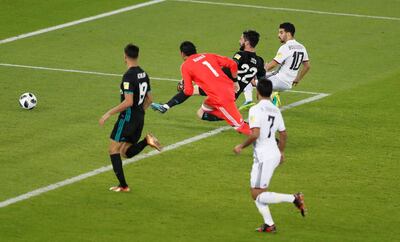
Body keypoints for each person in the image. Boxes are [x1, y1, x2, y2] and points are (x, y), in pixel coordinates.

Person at [233, 78, 306, 232]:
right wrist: (281, 152)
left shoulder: (255, 109)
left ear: (257, 91)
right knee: (258, 193)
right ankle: (269, 224)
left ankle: (294, 198)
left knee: (257, 194)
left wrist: (241, 146)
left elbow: (255, 134)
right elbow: (284, 134)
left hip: (263, 157)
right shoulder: (275, 109)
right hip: (272, 153)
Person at [151, 30, 265, 116]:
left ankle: (235, 119)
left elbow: (232, 66)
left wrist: (235, 81)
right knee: (192, 93)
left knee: (201, 113)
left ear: (247, 42)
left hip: (222, 89)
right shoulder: (260, 61)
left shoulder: (240, 55)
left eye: (241, 39)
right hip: (230, 93)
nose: (239, 41)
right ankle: (166, 106)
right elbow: (262, 81)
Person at [99, 44, 162, 192]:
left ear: (125, 56)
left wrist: (108, 113)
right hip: (139, 117)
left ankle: (123, 186)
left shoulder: (128, 76)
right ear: (137, 56)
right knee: (125, 152)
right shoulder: (144, 74)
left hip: (127, 118)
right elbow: (150, 99)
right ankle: (147, 140)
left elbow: (128, 102)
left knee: (113, 150)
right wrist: (140, 113)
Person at [178, 41, 251, 135]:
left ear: (182, 53)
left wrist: (184, 88)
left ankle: (268, 139)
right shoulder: (208, 56)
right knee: (203, 110)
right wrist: (235, 81)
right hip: (226, 91)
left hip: (222, 97)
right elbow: (232, 64)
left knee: (240, 127)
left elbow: (188, 91)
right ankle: (231, 117)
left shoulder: (186, 66)